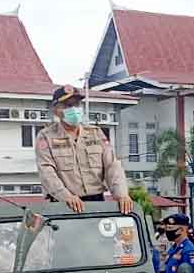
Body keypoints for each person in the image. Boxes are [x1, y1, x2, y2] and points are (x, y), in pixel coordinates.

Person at [35, 84, 132, 214]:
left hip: (96, 201)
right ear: (55, 110)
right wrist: (66, 196)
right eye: (68, 105)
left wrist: (122, 194)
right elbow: (46, 171)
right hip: (64, 204)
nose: (74, 109)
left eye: (76, 105)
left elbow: (112, 166)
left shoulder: (96, 133)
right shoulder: (46, 136)